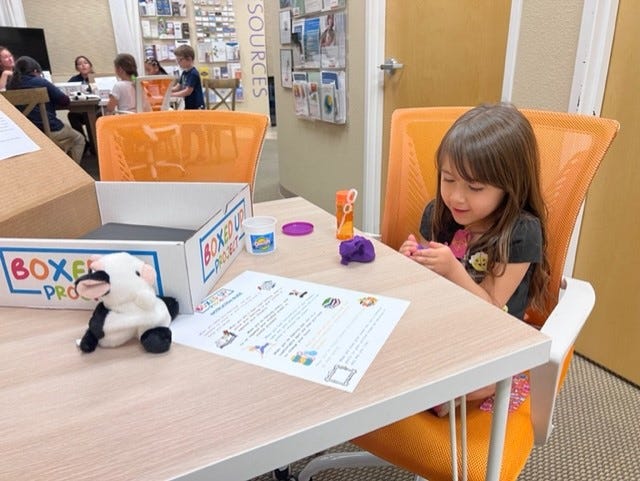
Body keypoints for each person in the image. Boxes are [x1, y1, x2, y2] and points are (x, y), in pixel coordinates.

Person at [399, 103, 550, 416]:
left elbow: (493, 308)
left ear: (509, 188)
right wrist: (415, 262)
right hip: (448, 321)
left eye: (475, 187)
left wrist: (452, 268)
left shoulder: (521, 231)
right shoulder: (439, 213)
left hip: (493, 334)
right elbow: (433, 288)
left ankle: (479, 387)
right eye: (448, 179)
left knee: (476, 377)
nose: (456, 197)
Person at [7, 56, 85, 164]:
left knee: (62, 140)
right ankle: (73, 171)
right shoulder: (40, 82)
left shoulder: (10, 86)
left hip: (26, 133)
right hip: (49, 129)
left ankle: (56, 160)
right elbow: (64, 101)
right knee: (79, 139)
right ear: (35, 71)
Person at [68, 55, 99, 154]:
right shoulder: (73, 80)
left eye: (85, 63)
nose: (83, 66)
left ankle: (96, 146)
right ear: (77, 68)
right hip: (80, 109)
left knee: (89, 115)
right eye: (80, 64)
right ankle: (84, 142)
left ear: (90, 65)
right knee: (72, 115)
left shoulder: (96, 78)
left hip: (96, 109)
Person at [172, 44, 204, 109]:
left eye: (180, 60)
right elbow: (178, 87)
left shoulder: (193, 73)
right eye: (177, 60)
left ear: (189, 59)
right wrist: (167, 91)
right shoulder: (184, 72)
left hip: (196, 106)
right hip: (188, 104)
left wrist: (172, 95)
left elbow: (188, 91)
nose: (178, 62)